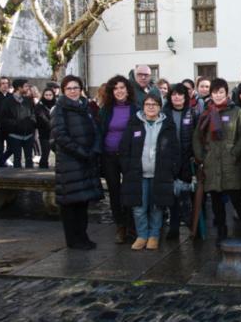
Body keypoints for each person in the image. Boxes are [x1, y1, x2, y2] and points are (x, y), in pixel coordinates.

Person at [193, 78, 241, 244]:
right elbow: (197, 137)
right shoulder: (206, 113)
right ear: (211, 94)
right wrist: (201, 157)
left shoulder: (236, 111)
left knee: (236, 200)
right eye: (215, 92)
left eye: (221, 92)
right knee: (216, 202)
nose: (218, 95)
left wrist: (235, 153)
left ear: (226, 93)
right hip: (211, 163)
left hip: (231, 163)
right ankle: (221, 231)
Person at [51, 75, 104, 250]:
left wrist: (94, 149)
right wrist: (81, 152)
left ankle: (82, 235)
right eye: (69, 88)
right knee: (70, 204)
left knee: (83, 202)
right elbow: (60, 136)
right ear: (63, 91)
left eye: (76, 88)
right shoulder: (59, 109)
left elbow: (95, 130)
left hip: (86, 161)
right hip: (70, 162)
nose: (73, 91)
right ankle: (73, 239)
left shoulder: (85, 106)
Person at [119, 94, 179, 251]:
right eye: (147, 104)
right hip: (137, 174)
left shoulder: (168, 125)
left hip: (160, 174)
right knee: (138, 207)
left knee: (156, 207)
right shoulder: (134, 123)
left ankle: (154, 236)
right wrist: (127, 168)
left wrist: (172, 169)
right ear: (143, 106)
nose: (151, 107)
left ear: (160, 107)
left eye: (154, 104)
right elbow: (124, 148)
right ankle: (142, 235)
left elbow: (175, 150)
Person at [98, 75, 138, 244]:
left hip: (128, 156)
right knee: (114, 192)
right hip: (109, 156)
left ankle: (131, 224)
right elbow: (100, 132)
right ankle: (120, 225)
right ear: (111, 92)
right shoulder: (105, 110)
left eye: (122, 87)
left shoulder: (135, 109)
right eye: (115, 88)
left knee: (129, 190)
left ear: (128, 90)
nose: (119, 91)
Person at [161, 83, 195, 240]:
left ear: (185, 97)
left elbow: (196, 135)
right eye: (174, 94)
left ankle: (193, 226)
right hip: (169, 160)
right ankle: (173, 227)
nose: (176, 97)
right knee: (172, 195)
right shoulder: (164, 113)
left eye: (180, 94)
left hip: (187, 158)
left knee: (186, 194)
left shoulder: (191, 112)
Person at [0, 79, 37, 168]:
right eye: (26, 86)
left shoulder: (28, 100)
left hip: (28, 134)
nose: (28, 88)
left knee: (29, 159)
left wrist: (31, 123)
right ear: (19, 88)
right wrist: (15, 124)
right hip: (14, 135)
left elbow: (33, 114)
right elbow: (3, 118)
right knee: (17, 159)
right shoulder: (7, 101)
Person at [34, 87, 56, 168]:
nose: (48, 96)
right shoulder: (40, 105)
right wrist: (50, 124)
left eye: (50, 95)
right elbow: (41, 117)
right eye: (46, 95)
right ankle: (43, 167)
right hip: (44, 132)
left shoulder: (57, 104)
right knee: (45, 153)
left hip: (56, 132)